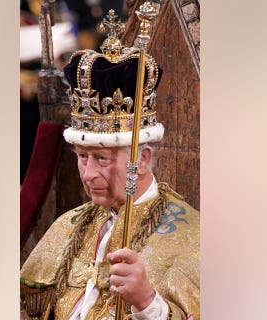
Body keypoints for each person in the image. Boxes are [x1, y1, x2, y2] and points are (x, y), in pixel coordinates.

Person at [20, 9, 199, 320]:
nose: (89, 174)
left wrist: (147, 302)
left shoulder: (193, 237)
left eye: (101, 158)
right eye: (82, 156)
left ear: (141, 159)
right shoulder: (68, 225)